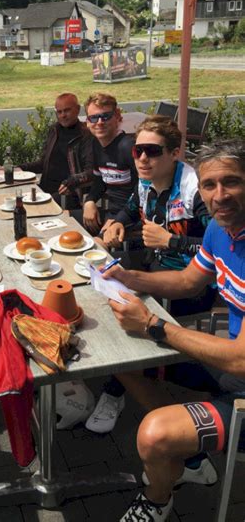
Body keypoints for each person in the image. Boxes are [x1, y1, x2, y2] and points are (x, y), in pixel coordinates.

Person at [104, 139, 245, 522]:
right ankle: (193, 458)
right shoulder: (220, 229)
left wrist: (153, 325)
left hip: (240, 371)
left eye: (231, 182)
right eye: (208, 185)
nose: (219, 195)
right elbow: (187, 282)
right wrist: (128, 277)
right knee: (121, 360)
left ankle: (157, 496)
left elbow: (240, 360)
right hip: (230, 359)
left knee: (154, 435)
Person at [86, 116, 214, 434]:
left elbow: (220, 249)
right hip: (154, 269)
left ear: (174, 153)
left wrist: (172, 241)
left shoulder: (196, 191)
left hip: (192, 282)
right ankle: (122, 383)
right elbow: (131, 208)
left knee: (123, 325)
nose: (143, 158)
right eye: (138, 151)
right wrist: (116, 221)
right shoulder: (146, 180)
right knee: (106, 298)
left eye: (152, 151)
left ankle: (117, 391)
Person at [19, 93, 93, 210]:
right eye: (59, 112)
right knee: (17, 200)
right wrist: (18, 168)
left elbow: (91, 171)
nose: (63, 115)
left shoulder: (85, 135)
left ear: (78, 110)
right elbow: (43, 163)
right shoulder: (54, 130)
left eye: (67, 110)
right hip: (44, 189)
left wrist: (73, 181)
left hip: (69, 193)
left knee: (30, 208)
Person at [80, 93, 138, 236]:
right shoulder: (95, 144)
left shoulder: (128, 147)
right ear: (87, 122)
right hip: (110, 213)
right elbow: (99, 181)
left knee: (96, 245)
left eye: (105, 116)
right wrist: (90, 201)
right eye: (94, 117)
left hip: (131, 219)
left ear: (117, 116)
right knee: (64, 219)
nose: (100, 122)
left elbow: (144, 192)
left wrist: (119, 220)